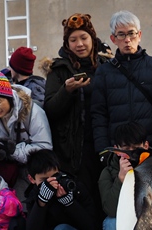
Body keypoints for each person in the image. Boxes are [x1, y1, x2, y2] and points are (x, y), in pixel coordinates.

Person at [42, 13, 111, 214]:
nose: (79, 44)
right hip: (73, 152)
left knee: (105, 198)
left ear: (93, 39)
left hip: (103, 144)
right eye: (73, 40)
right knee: (83, 203)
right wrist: (67, 90)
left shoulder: (106, 66)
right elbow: (51, 110)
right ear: (66, 43)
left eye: (84, 38)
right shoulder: (59, 69)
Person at [90, 10, 152, 162]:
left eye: (131, 33)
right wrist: (103, 148)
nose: (127, 39)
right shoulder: (103, 72)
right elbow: (99, 114)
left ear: (139, 35)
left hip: (151, 150)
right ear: (113, 39)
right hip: (119, 153)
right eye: (121, 35)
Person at [0, 70, 53, 202]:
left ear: (9, 98)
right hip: (7, 172)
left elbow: (45, 146)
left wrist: (14, 151)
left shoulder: (31, 111)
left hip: (32, 171)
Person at [98, 122, 149, 230]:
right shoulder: (108, 172)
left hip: (150, 225)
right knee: (111, 225)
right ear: (116, 149)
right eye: (125, 148)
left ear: (146, 146)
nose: (131, 153)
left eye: (136, 147)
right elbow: (111, 209)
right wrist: (121, 179)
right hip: (125, 224)